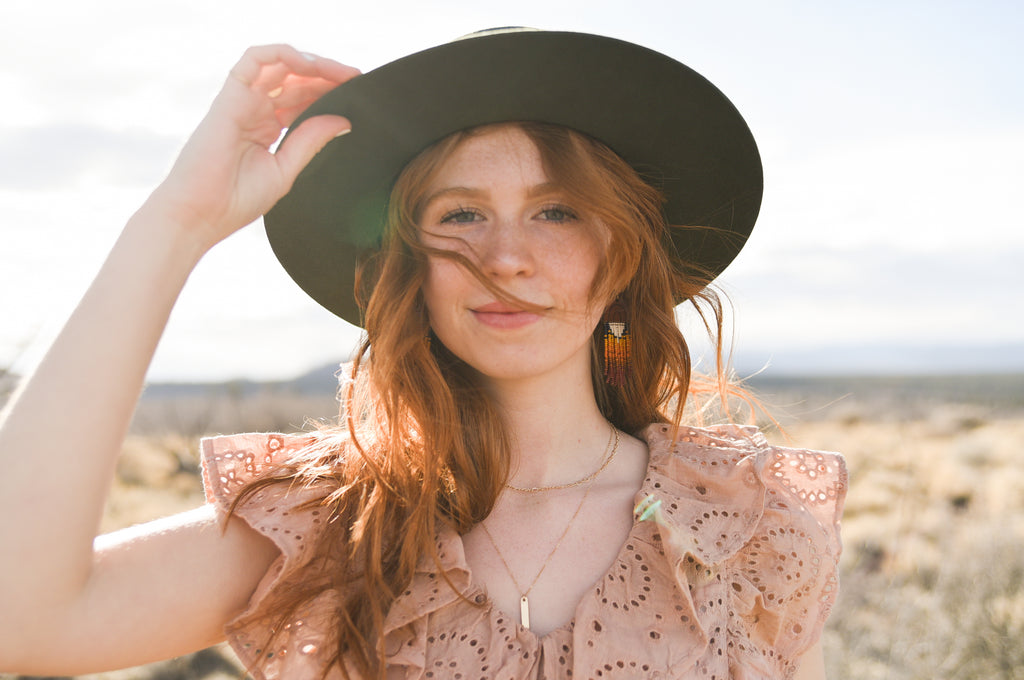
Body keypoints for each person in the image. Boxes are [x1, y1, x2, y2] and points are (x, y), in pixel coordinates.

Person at [0, 29, 846, 680]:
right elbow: (19, 621)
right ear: (408, 265)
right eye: (462, 215)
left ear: (621, 258)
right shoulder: (326, 527)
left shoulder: (752, 530)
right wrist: (176, 223)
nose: (507, 258)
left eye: (556, 212)